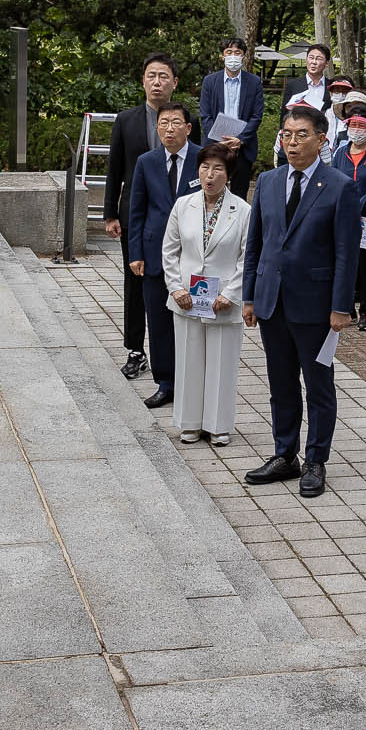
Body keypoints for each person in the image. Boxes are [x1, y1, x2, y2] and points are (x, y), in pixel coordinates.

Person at [241, 105, 361, 500]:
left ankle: (315, 460)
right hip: (271, 301)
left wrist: (341, 306)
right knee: (280, 384)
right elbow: (255, 244)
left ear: (322, 139)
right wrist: (249, 297)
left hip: (316, 304)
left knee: (318, 385)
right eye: (287, 135)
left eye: (301, 135)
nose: (292, 142)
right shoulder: (270, 181)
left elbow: (347, 253)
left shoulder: (340, 186)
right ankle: (284, 454)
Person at [162, 142, 254, 446]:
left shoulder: (242, 211)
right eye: (205, 167)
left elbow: (247, 257)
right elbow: (170, 250)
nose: (210, 175)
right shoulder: (183, 205)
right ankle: (189, 422)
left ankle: (218, 425)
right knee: (188, 360)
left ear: (228, 174)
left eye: (217, 169)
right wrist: (176, 287)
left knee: (221, 362)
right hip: (187, 297)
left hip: (222, 300)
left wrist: (231, 292)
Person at [102, 54, 180, 380]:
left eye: (164, 76)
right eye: (152, 76)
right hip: (134, 214)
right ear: (143, 80)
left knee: (173, 278)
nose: (157, 82)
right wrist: (109, 214)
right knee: (135, 281)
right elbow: (114, 169)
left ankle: (175, 348)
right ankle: (135, 349)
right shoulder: (126, 120)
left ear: (175, 83)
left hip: (175, 215)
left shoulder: (183, 120)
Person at [124, 101, 205, 411]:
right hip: (155, 253)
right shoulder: (146, 161)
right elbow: (137, 208)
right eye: (163, 123)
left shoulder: (204, 158)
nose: (168, 129)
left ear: (188, 127)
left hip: (195, 255)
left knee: (193, 322)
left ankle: (192, 382)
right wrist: (136, 252)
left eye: (175, 123)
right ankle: (165, 383)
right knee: (158, 323)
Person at [198, 39, 267, 199]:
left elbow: (256, 116)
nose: (233, 56)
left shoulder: (254, 82)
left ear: (243, 55)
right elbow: (205, 115)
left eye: (237, 53)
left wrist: (240, 140)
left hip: (242, 148)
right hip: (214, 145)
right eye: (229, 52)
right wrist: (217, 139)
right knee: (210, 192)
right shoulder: (210, 81)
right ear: (222, 56)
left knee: (239, 195)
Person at [338, 106, 366, 324]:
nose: (356, 130)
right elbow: (335, 181)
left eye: (362, 126)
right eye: (353, 125)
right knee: (345, 263)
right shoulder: (341, 153)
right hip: (342, 217)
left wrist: (359, 206)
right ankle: (347, 308)